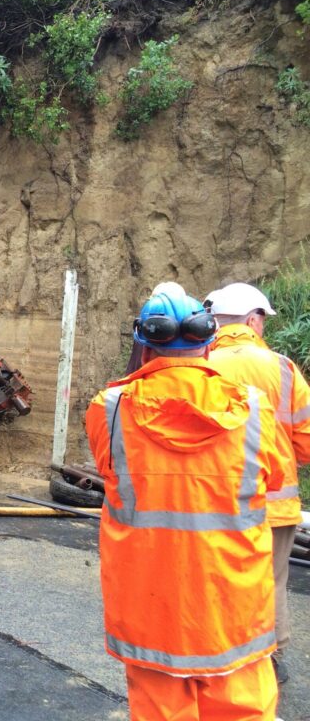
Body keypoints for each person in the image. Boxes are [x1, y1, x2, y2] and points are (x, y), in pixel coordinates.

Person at [86, 285, 285, 720]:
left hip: (152, 611)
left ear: (144, 343)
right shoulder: (255, 409)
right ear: (208, 340)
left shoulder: (108, 409)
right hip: (233, 605)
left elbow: (109, 467)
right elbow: (274, 479)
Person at [205, 282, 310, 685]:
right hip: (273, 502)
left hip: (217, 499)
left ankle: (221, 654)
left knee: (221, 576)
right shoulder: (281, 367)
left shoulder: (202, 364)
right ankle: (270, 657)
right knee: (272, 580)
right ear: (253, 320)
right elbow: (305, 438)